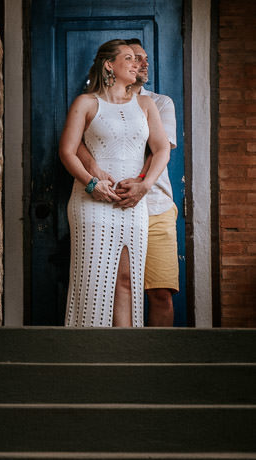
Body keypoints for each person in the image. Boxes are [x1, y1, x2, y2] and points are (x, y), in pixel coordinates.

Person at [58, 40, 170, 327]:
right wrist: (91, 183)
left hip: (133, 204)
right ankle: (88, 355)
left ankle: (123, 354)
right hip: (91, 203)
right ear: (109, 65)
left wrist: (144, 184)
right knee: (91, 282)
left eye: (138, 59)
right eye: (129, 58)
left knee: (127, 279)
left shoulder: (146, 104)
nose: (138, 64)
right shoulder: (86, 102)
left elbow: (161, 150)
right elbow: (67, 151)